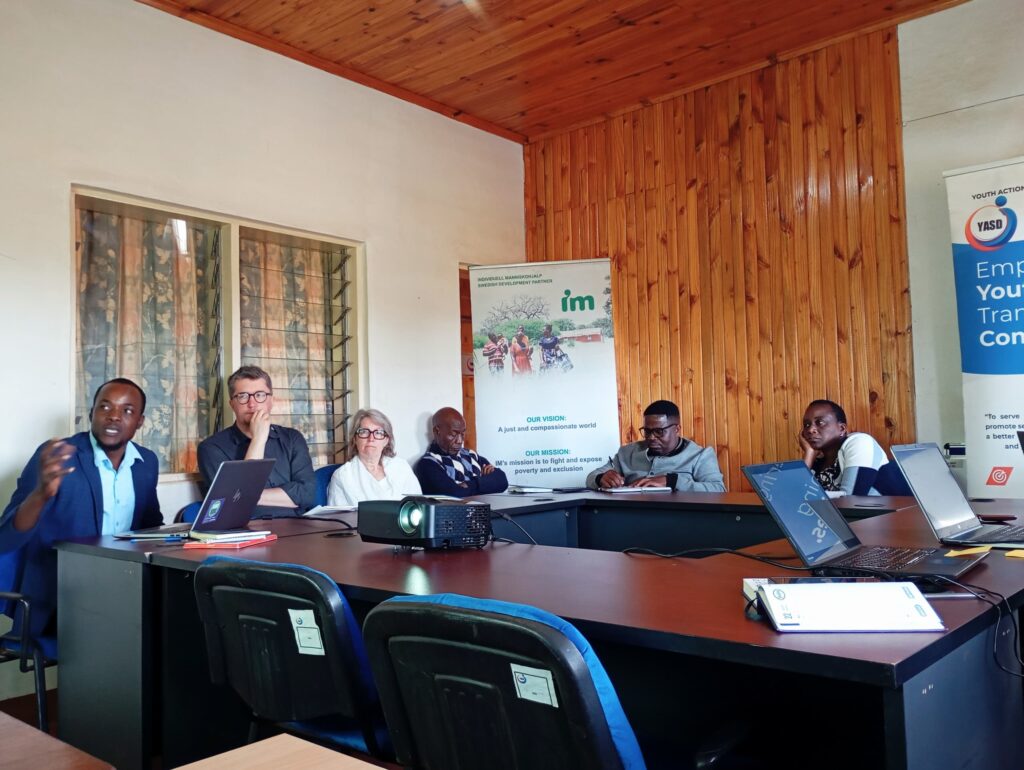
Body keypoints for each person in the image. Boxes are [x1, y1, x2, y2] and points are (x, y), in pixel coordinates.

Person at [0, 378, 161, 638]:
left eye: (127, 410)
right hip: (63, 594)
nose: (114, 416)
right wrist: (40, 494)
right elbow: (6, 536)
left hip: (125, 584)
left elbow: (150, 528)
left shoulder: (146, 462)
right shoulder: (59, 458)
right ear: (91, 413)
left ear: (140, 422)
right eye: (105, 407)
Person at [197, 365, 315, 517]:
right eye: (243, 396)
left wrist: (247, 495)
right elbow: (232, 504)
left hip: (297, 526)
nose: (252, 404)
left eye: (260, 395)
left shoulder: (292, 438)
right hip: (247, 529)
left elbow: (307, 494)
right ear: (232, 404)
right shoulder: (211, 448)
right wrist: (258, 440)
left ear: (271, 401)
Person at [586, 400, 725, 491]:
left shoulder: (700, 456)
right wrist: (601, 478)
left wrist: (672, 481)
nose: (651, 437)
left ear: (676, 429)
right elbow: (591, 477)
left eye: (659, 431)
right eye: (647, 431)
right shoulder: (626, 453)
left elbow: (718, 489)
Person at [327, 408, 422, 506]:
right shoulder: (342, 476)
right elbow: (338, 514)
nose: (371, 438)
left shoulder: (402, 467)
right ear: (355, 439)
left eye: (378, 433)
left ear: (386, 440)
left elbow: (419, 506)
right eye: (364, 432)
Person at [799, 399, 889, 498]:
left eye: (820, 422)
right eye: (807, 425)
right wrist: (809, 453)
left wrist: (800, 497)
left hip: (892, 508)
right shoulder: (817, 459)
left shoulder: (860, 442)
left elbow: (851, 498)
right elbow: (794, 497)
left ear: (842, 429)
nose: (810, 429)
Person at [415, 407, 508, 497]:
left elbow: (502, 480)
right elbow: (453, 494)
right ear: (437, 431)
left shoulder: (470, 454)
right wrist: (485, 482)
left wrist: (468, 485)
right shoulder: (428, 463)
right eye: (453, 434)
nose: (460, 441)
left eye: (462, 434)